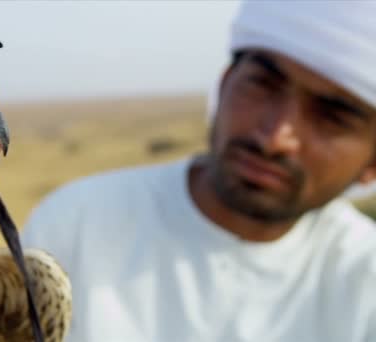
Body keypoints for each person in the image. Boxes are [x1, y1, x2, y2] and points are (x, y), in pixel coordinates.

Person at [21, 1, 376, 342]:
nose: (275, 138)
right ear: (222, 85)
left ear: (371, 165)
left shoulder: (365, 278)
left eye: (332, 116)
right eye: (263, 85)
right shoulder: (76, 222)